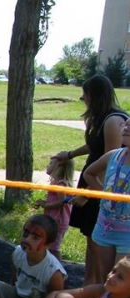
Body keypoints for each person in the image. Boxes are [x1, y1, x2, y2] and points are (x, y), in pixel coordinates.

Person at [52, 74, 128, 286]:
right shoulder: (101, 118)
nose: (83, 98)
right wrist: (69, 155)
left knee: (98, 241)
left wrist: (88, 194)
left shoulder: (114, 120)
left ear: (94, 95)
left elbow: (110, 163)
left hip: (101, 186)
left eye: (84, 94)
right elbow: (94, 145)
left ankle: (102, 287)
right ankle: (90, 284)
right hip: (92, 181)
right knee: (91, 238)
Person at [82, 118, 130, 283]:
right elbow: (89, 173)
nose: (126, 128)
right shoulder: (113, 156)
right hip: (105, 229)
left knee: (121, 283)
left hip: (127, 235)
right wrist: (104, 193)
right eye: (126, 124)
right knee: (105, 280)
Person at [33, 156, 74, 262]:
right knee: (50, 246)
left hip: (58, 221)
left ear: (59, 167)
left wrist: (45, 205)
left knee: (54, 248)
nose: (48, 165)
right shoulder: (56, 182)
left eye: (51, 163)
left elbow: (62, 202)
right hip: (53, 220)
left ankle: (58, 270)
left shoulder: (60, 184)